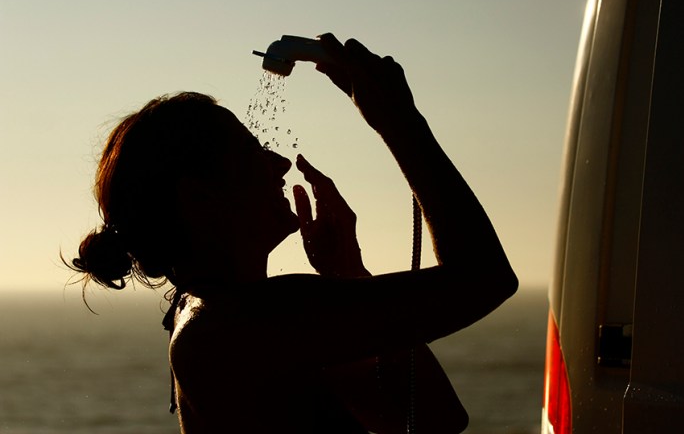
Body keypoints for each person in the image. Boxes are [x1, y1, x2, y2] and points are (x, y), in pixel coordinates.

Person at [68, 33, 518, 433]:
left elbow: (432, 418)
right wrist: (399, 122)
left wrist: (348, 271)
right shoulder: (241, 324)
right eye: (253, 152)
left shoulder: (225, 319)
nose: (280, 164)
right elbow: (483, 278)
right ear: (199, 199)